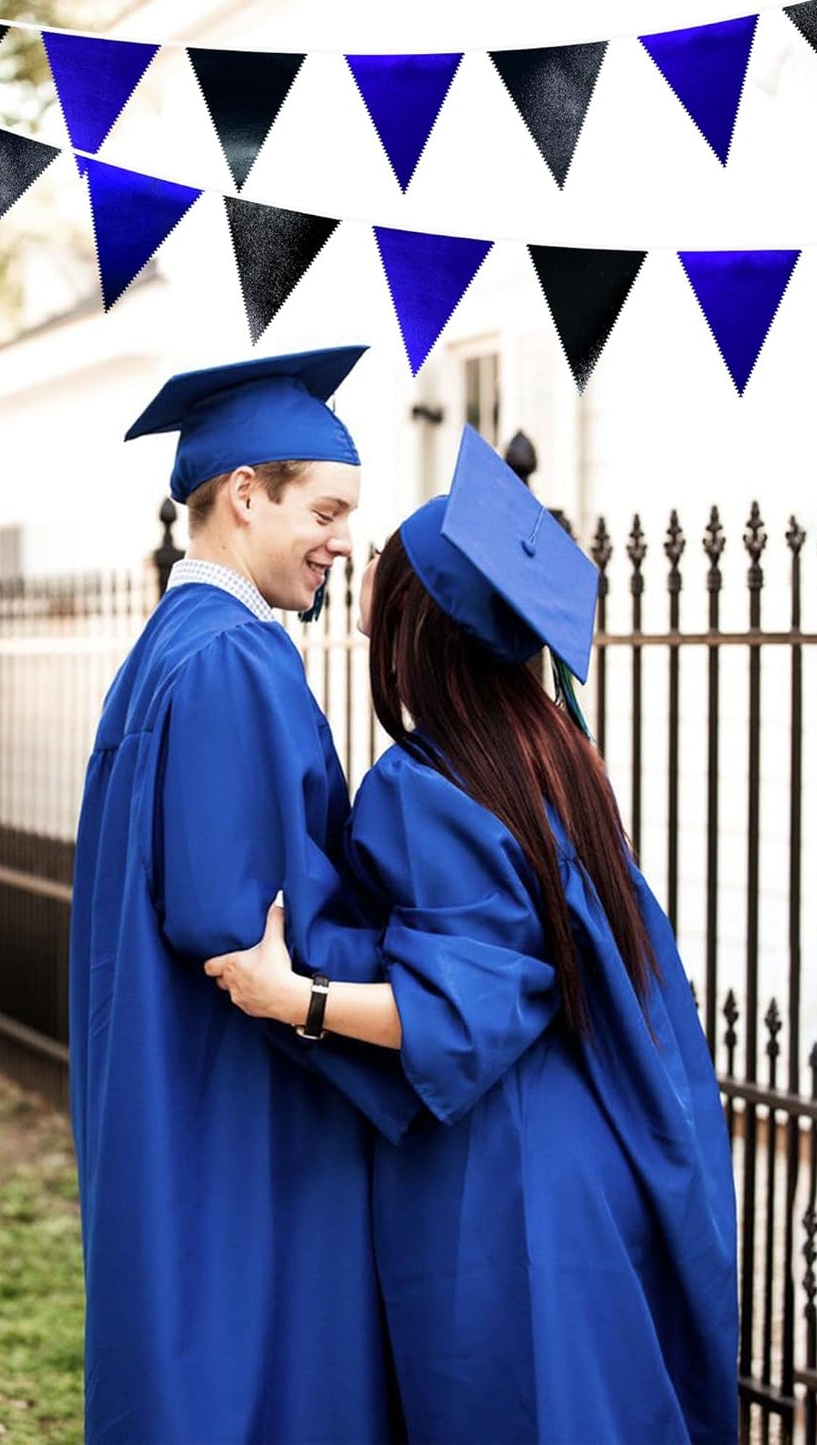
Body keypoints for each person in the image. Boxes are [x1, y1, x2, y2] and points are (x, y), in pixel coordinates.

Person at [207, 426, 740, 1443]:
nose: (355, 576)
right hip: (591, 1162)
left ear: (417, 621)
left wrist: (290, 996)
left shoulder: (427, 782)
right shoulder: (552, 754)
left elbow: (459, 1010)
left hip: (503, 1192)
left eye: (382, 572)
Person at [67, 345, 418, 1445]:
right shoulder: (224, 660)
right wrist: (440, 966)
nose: (343, 539)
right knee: (242, 1372)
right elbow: (235, 922)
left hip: (182, 1074)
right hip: (233, 1094)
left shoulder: (179, 648)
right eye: (325, 506)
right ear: (243, 494)